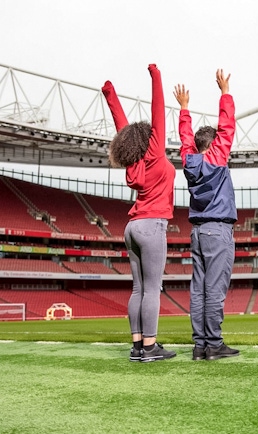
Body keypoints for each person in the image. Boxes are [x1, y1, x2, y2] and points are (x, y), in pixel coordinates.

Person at [102, 64, 176, 363]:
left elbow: (122, 129)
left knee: (138, 288)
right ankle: (149, 347)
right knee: (152, 290)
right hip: (152, 225)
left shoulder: (133, 164)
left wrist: (110, 95)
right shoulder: (155, 152)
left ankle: (136, 345)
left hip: (132, 226)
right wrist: (157, 77)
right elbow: (158, 111)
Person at [173, 69, 240, 361]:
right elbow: (227, 129)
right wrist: (225, 93)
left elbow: (186, 141)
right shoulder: (216, 157)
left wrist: (184, 109)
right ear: (213, 146)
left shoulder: (190, 161)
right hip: (217, 230)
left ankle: (200, 345)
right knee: (214, 290)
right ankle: (214, 344)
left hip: (198, 232)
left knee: (198, 289)